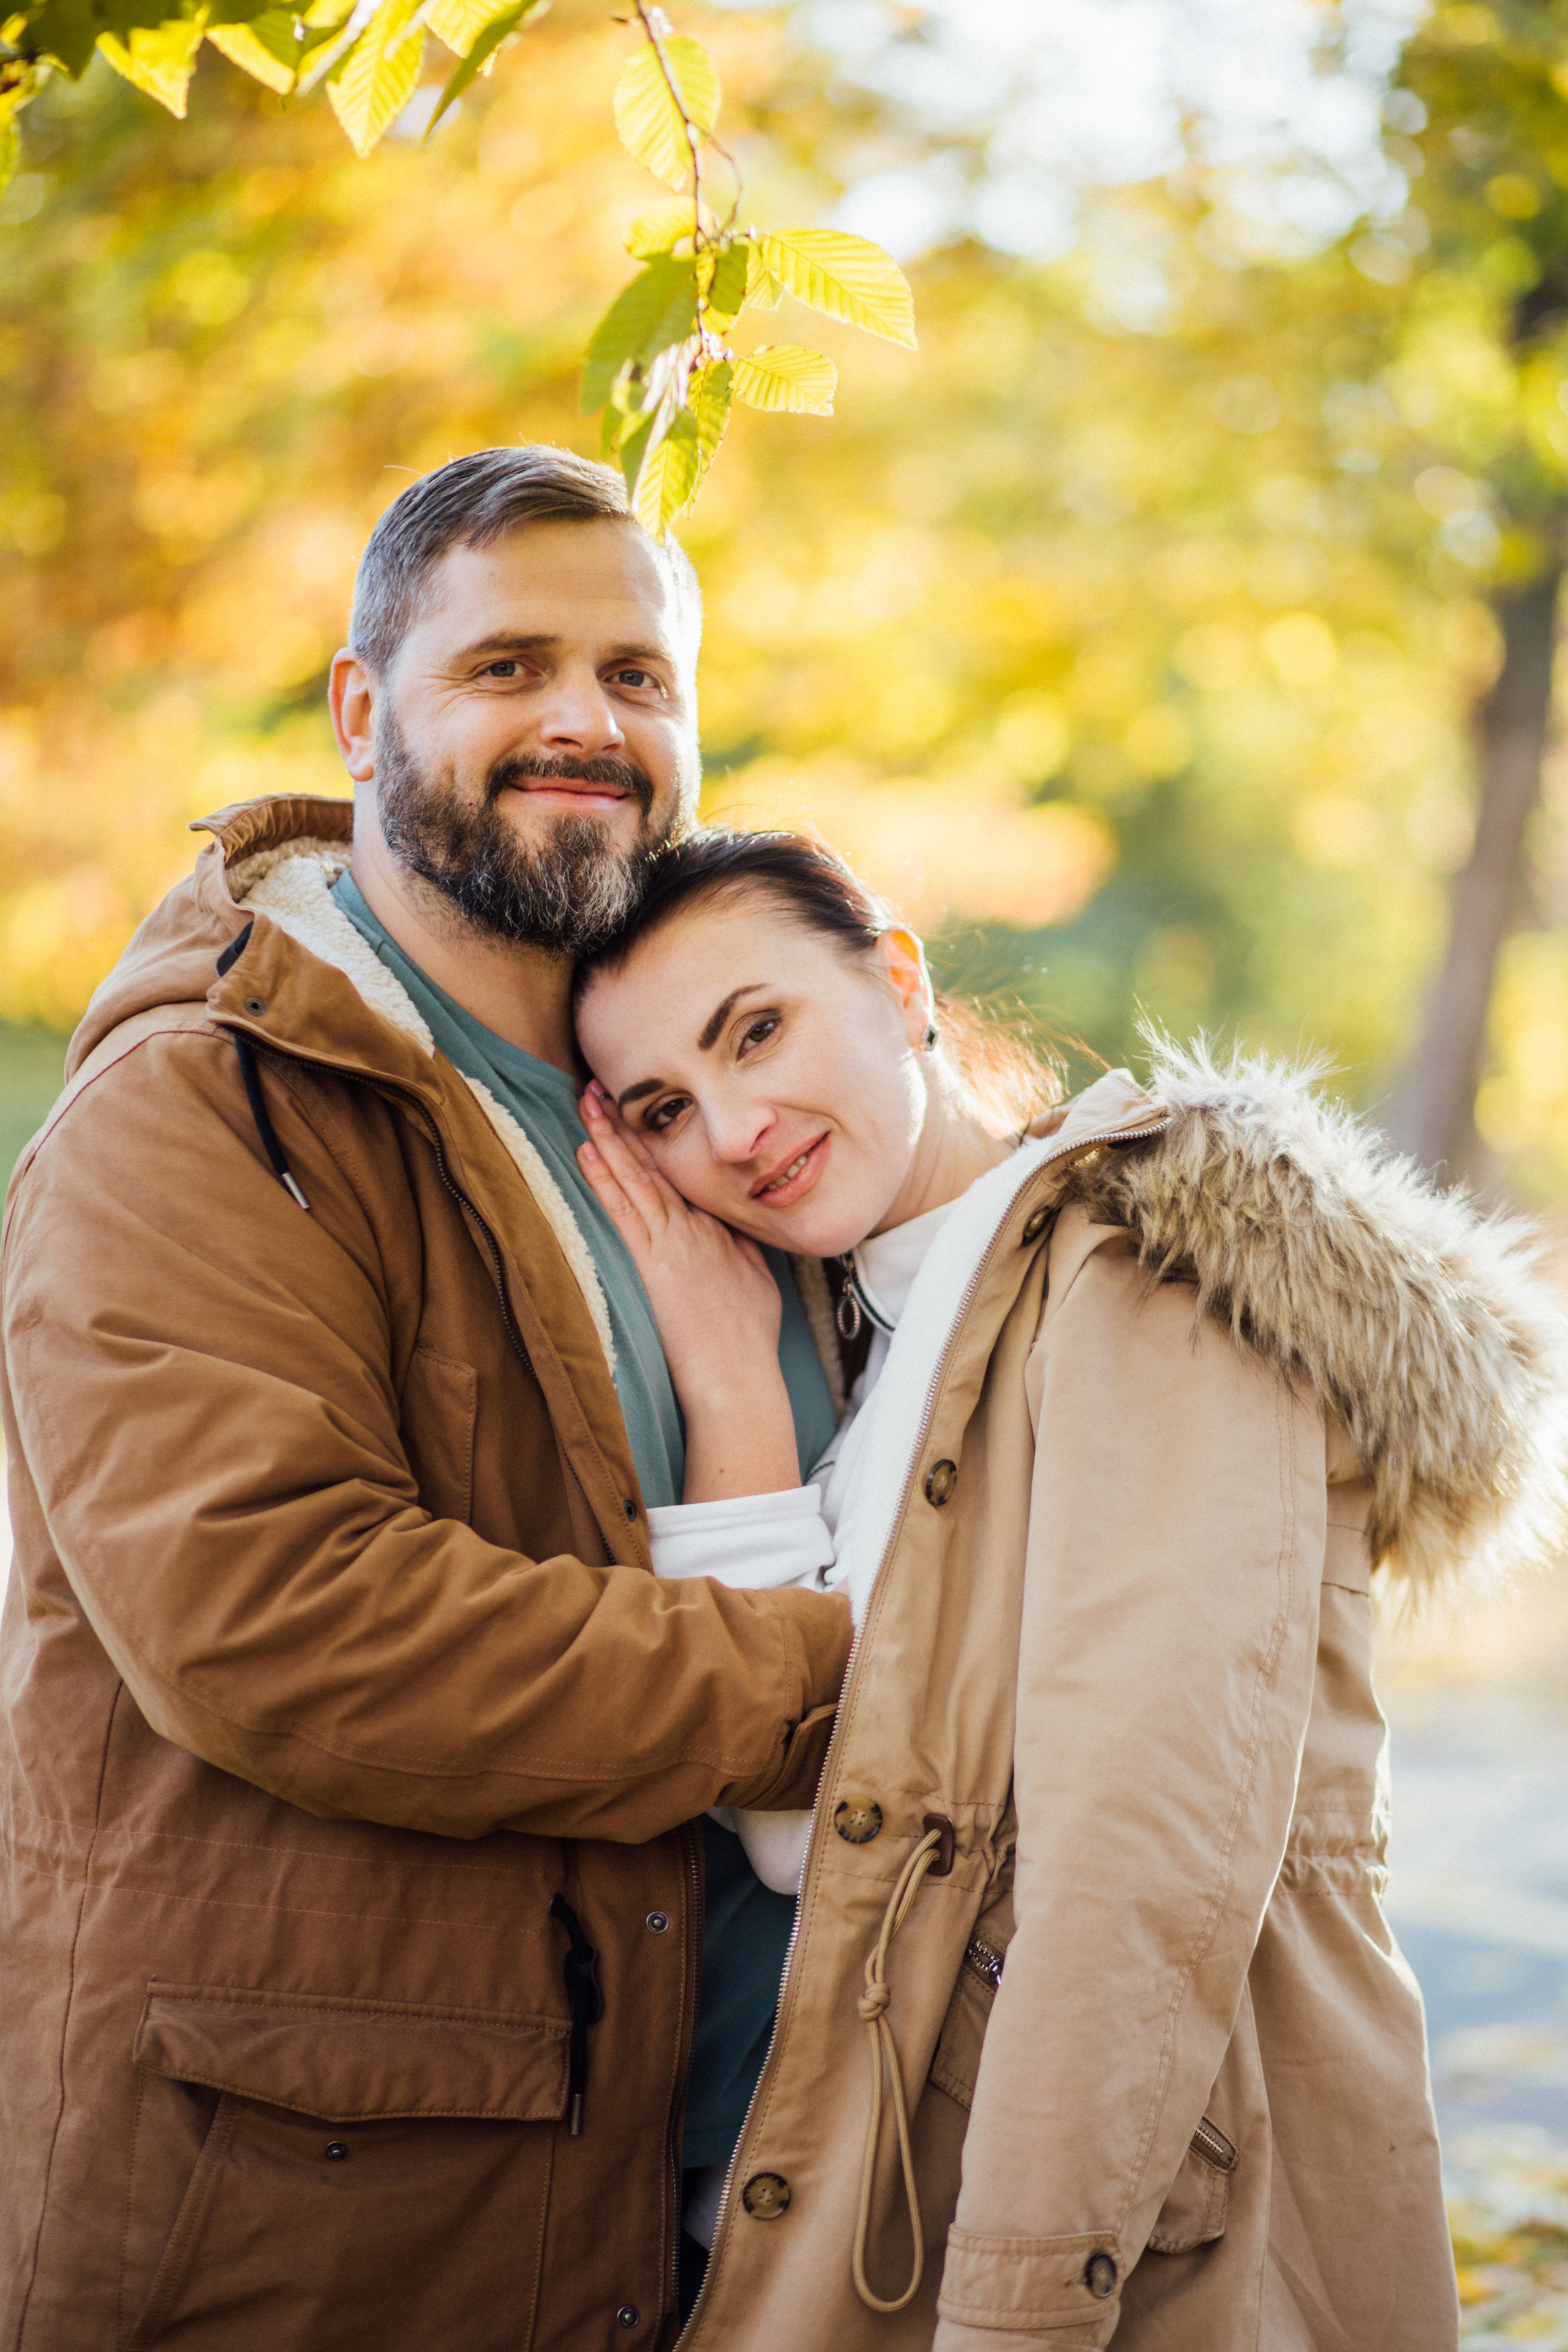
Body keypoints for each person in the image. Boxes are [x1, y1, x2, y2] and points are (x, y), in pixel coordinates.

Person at [0, 450, 856, 2351]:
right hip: (326, 2219)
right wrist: (844, 1685)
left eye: (638, 676)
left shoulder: (709, 1106)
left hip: (731, 2207)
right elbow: (279, 1623)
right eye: (508, 667)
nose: (587, 721)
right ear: (361, 710)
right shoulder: (204, 1110)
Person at [567, 826, 1568, 2351]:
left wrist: (1017, 2309)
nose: (735, 1129)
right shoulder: (877, 1333)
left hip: (1141, 2234)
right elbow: (806, 1831)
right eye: (663, 1108)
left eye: (754, 1030)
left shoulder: (1135, 1284)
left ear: (898, 983)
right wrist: (735, 1401)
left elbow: (1134, 1867)